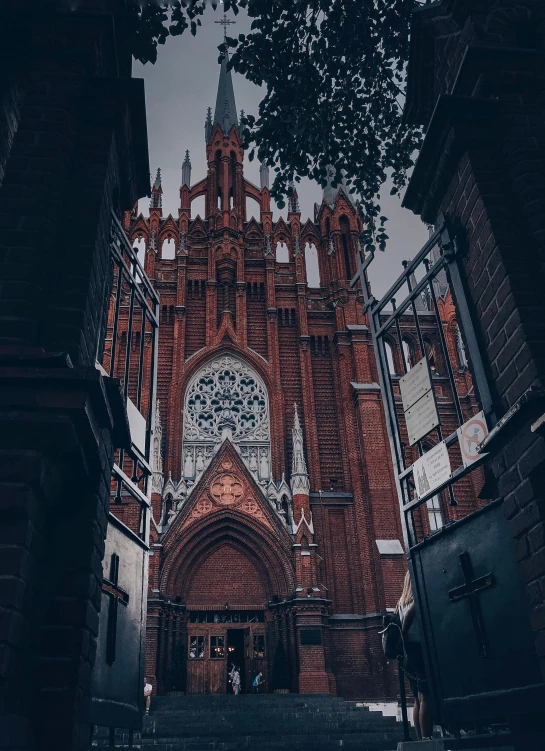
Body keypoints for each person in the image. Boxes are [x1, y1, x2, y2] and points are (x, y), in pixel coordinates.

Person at [396, 571, 432, 740]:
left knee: (416, 698)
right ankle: (427, 739)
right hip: (418, 649)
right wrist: (404, 633)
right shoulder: (416, 598)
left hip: (407, 653)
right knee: (425, 697)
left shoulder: (400, 602)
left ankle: (420, 740)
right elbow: (410, 616)